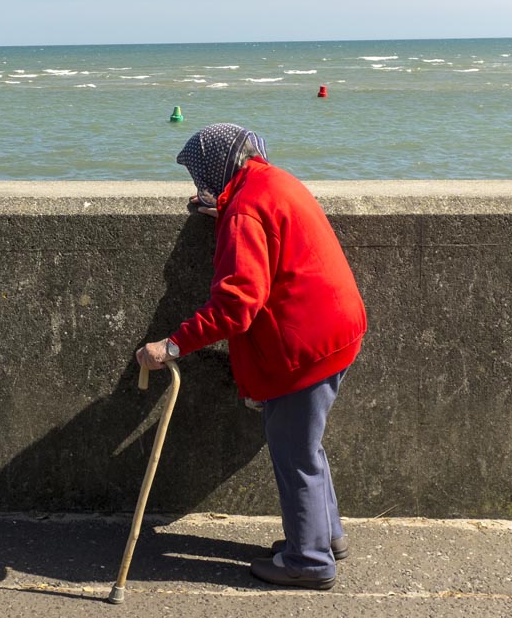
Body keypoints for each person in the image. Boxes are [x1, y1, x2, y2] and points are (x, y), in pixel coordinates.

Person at [135, 122, 366, 590]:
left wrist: (171, 345)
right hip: (334, 330)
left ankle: (309, 562)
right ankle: (326, 537)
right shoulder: (271, 181)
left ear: (216, 167)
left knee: (294, 454)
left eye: (200, 174)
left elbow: (235, 305)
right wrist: (222, 210)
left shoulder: (243, 210)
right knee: (306, 447)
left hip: (302, 348)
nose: (199, 183)